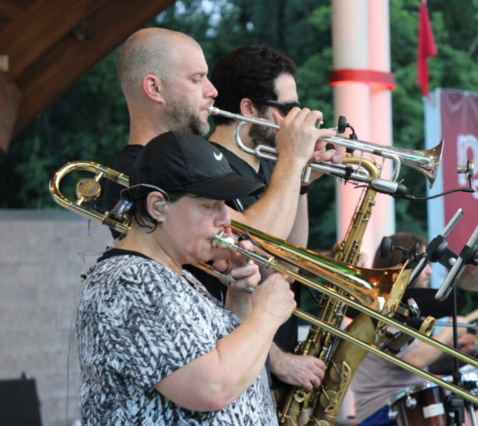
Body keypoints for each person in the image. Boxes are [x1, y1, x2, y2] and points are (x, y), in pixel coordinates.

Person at [101, 32, 332, 391]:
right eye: (197, 79)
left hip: (236, 370)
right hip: (206, 375)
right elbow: (258, 240)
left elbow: (281, 254)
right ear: (154, 88)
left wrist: (299, 176)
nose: (212, 90)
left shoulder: (199, 164)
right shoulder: (134, 174)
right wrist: (293, 157)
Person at [77, 131, 293, 425]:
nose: (226, 219)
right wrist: (266, 315)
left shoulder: (173, 275)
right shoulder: (131, 281)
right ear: (158, 207)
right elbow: (211, 388)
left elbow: (228, 363)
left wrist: (241, 297)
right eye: (210, 206)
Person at [209, 45, 339, 393]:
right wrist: (277, 360)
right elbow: (260, 258)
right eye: (288, 109)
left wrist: (302, 181)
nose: (296, 119)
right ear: (249, 108)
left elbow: (291, 258)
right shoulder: (207, 169)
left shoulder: (273, 168)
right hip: (236, 367)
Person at [350, 233, 477, 426]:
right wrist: (452, 329)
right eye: (424, 264)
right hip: (384, 412)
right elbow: (416, 359)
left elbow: (413, 363)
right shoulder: (380, 307)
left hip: (407, 405)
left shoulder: (398, 308)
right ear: (404, 266)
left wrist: (447, 348)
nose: (429, 272)